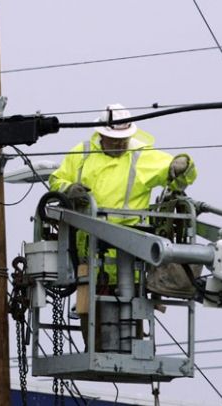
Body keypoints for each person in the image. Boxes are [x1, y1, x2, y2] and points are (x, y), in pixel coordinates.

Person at [48, 103, 197, 350]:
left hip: (131, 258)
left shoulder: (142, 155)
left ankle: (128, 353)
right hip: (89, 257)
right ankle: (96, 352)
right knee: (93, 334)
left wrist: (184, 164)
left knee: (129, 329)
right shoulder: (82, 154)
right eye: (113, 139)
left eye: (123, 139)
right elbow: (56, 179)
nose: (119, 144)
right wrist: (68, 189)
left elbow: (180, 174)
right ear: (101, 135)